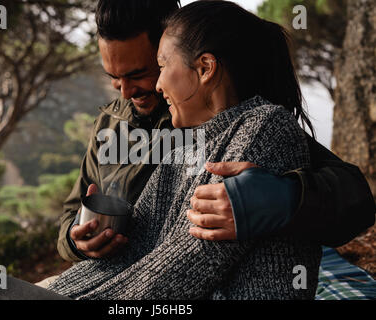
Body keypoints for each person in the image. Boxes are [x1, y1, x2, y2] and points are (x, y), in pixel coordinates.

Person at [58, 0, 375, 264]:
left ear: (171, 51)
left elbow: (356, 200)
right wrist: (77, 241)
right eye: (114, 77)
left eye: (138, 74)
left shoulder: (235, 123)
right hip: (108, 275)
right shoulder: (109, 124)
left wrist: (286, 198)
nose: (125, 92)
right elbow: (72, 213)